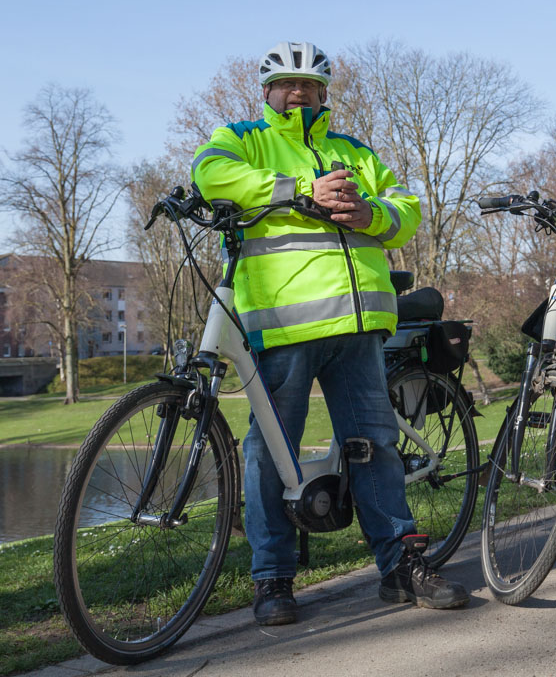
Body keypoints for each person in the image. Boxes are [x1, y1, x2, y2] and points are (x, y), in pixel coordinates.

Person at [191, 41, 469, 625]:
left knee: (375, 449)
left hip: (361, 323)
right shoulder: (243, 138)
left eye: (310, 84)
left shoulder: (354, 150)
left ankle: (399, 568)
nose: (299, 92)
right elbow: (210, 174)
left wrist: (373, 215)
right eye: (287, 83)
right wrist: (296, 192)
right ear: (267, 91)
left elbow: (407, 205)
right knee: (270, 453)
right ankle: (273, 580)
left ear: (324, 92)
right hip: (286, 320)